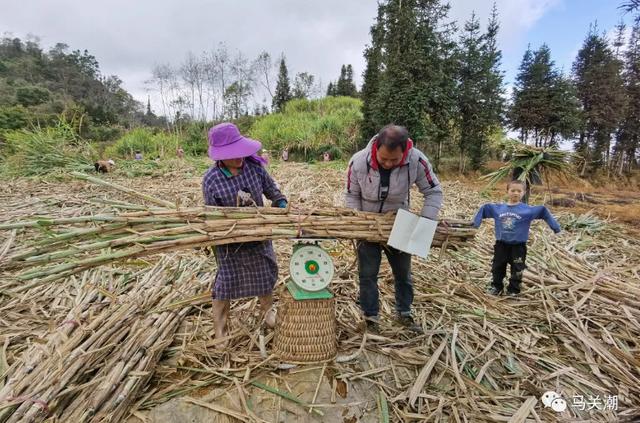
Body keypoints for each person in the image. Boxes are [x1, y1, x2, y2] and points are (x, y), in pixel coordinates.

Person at [345, 124, 443, 333]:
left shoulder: (417, 160)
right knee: (368, 274)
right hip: (368, 224)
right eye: (383, 159)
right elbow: (351, 195)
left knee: (403, 273)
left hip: (401, 222)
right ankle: (371, 317)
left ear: (405, 151)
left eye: (394, 160)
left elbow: (434, 191)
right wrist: (358, 223)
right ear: (376, 147)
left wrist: (424, 223)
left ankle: (404, 314)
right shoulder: (359, 161)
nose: (388, 163)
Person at [202, 122, 288, 347]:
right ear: (220, 156)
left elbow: (272, 191)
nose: (239, 157)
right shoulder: (211, 179)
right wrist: (224, 232)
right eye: (233, 154)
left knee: (264, 274)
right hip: (230, 241)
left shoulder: (254, 168)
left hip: (259, 236)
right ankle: (220, 329)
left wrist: (281, 203)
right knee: (225, 282)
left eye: (240, 151)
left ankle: (268, 313)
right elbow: (211, 216)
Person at [472, 180, 561, 296]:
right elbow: (484, 208)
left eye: (519, 191)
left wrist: (556, 228)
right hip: (501, 245)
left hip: (518, 247)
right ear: (507, 191)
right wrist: (474, 225)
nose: (516, 193)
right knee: (497, 267)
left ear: (524, 193)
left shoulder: (527, 210)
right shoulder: (499, 209)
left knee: (517, 269)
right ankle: (496, 287)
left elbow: (543, 211)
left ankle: (513, 290)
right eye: (513, 190)